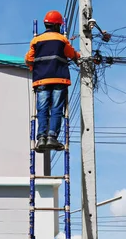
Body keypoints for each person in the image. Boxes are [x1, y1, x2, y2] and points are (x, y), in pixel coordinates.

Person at [25, 10, 81, 152]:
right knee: (56, 109)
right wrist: (79, 57)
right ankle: (52, 137)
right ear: (57, 25)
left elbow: (28, 59)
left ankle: (41, 138)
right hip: (58, 79)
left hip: (41, 81)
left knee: (42, 109)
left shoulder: (36, 40)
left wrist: (34, 68)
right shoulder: (61, 39)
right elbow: (71, 54)